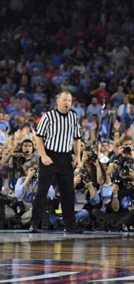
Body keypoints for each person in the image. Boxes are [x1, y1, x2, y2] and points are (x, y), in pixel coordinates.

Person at [29, 91, 83, 233]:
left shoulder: (73, 117)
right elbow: (39, 137)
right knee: (42, 191)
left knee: (68, 192)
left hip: (65, 157)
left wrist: (77, 157)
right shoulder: (48, 117)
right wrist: (43, 155)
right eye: (65, 100)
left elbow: (77, 138)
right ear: (57, 101)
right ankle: (34, 223)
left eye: (70, 100)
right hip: (50, 156)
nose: (67, 103)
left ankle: (70, 225)